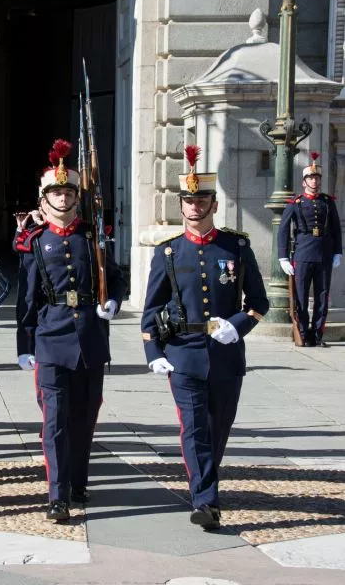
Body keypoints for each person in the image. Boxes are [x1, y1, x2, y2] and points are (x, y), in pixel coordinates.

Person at [141, 145, 269, 531]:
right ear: (181, 206)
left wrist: (239, 325)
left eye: (201, 200)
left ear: (213, 204)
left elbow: (259, 302)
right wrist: (153, 350)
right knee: (194, 428)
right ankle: (205, 501)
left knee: (217, 430)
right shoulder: (168, 253)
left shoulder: (237, 247)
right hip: (184, 353)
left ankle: (204, 483)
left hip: (226, 354)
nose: (194, 207)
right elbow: (151, 308)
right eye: (188, 201)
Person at [15, 139, 125, 522]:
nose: (62, 198)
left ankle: (79, 481)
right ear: (43, 200)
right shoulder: (36, 242)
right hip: (50, 338)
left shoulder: (92, 237)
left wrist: (114, 300)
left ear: (77, 196)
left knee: (85, 417)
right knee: (55, 422)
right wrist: (24, 344)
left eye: (67, 191)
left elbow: (115, 278)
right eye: (55, 192)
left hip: (91, 338)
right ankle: (57, 495)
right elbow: (26, 301)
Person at [278, 151, 342, 347]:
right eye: (310, 178)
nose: (314, 181)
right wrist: (283, 258)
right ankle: (304, 334)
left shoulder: (327, 202)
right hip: (303, 254)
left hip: (324, 254)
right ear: (304, 181)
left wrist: (338, 252)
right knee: (301, 297)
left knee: (322, 297)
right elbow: (282, 230)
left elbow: (336, 229)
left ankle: (317, 335)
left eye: (317, 178)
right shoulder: (295, 203)